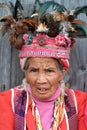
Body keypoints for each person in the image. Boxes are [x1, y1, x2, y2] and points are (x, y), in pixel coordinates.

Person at [0, 0, 87, 130]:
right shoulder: (7, 102)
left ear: (62, 72)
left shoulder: (80, 103)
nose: (41, 80)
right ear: (25, 70)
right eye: (34, 70)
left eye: (49, 71)